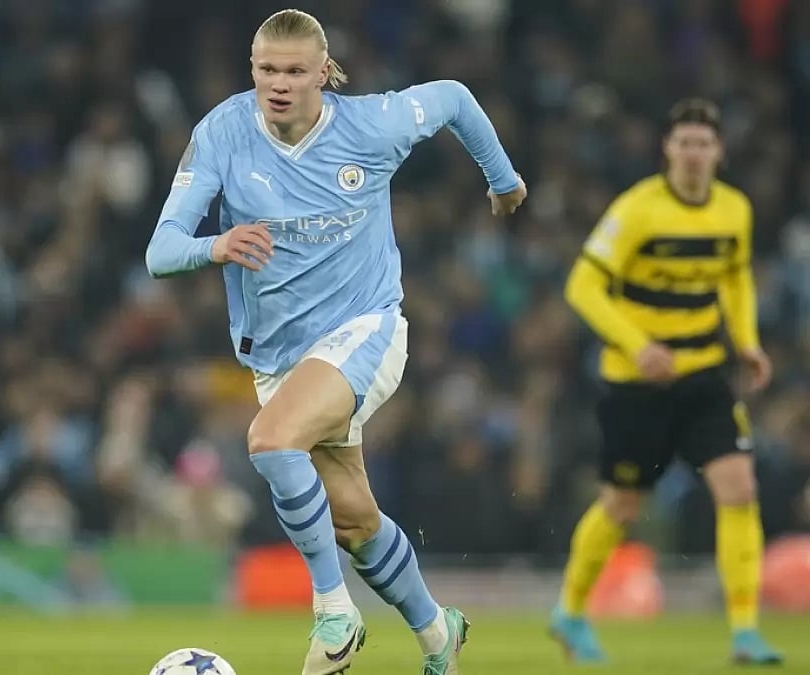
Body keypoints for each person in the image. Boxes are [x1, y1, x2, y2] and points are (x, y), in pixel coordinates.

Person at [145, 9, 526, 675]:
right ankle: (440, 635)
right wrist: (216, 244)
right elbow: (161, 249)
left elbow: (456, 100)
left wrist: (503, 179)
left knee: (269, 439)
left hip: (366, 329)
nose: (280, 83)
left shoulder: (370, 124)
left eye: (295, 71)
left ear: (324, 72)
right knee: (352, 520)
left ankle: (334, 611)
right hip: (280, 355)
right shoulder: (224, 133)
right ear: (253, 69)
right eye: (268, 69)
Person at [551, 98, 782, 666]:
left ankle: (746, 632)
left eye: (705, 144)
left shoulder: (735, 210)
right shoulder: (637, 210)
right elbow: (582, 285)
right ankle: (570, 612)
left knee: (739, 488)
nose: (695, 154)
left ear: (719, 152)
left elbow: (735, 279)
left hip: (703, 373)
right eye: (685, 143)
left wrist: (746, 341)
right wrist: (638, 345)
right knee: (622, 505)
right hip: (635, 382)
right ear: (668, 149)